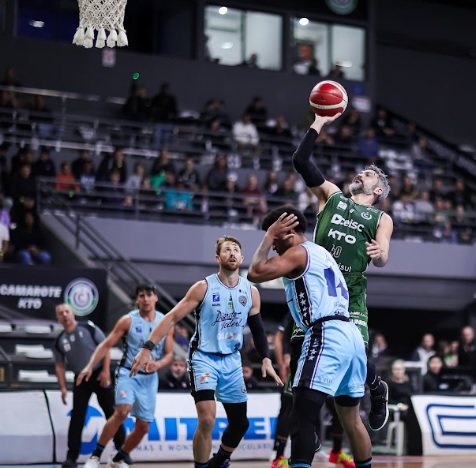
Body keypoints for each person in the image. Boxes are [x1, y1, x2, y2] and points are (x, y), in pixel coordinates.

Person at [130, 236, 281, 468]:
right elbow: (172, 317)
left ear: (242, 258)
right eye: (227, 250)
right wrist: (146, 348)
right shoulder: (203, 287)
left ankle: (219, 460)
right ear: (217, 258)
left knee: (240, 424)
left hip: (232, 360)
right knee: (208, 420)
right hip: (203, 358)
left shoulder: (251, 292)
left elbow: (258, 330)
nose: (232, 253)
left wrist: (266, 359)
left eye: (236, 250)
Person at [291, 112, 394, 434]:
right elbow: (300, 160)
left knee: (356, 355)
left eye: (369, 174)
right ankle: (308, 431)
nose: (361, 174)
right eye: (362, 171)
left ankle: (377, 388)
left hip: (351, 292)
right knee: (299, 358)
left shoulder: (381, 218)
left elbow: (383, 257)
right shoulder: (331, 195)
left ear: (378, 190)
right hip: (317, 289)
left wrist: (379, 254)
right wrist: (319, 123)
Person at [247, 206, 372, 468]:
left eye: (276, 240)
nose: (274, 248)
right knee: (352, 420)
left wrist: (268, 236)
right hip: (350, 334)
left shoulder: (297, 252)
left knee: (301, 415)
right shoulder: (322, 252)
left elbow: (254, 272)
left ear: (288, 232)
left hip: (326, 332)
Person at [77, 284, 174, 468]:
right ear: (137, 300)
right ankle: (95, 457)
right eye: (141, 295)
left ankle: (118, 458)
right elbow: (106, 344)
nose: (146, 299)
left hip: (149, 378)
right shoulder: (127, 320)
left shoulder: (166, 322)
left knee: (143, 427)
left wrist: (158, 364)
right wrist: (89, 366)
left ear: (156, 298)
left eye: (149, 295)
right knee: (122, 411)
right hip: (128, 373)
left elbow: (169, 354)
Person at [53, 304, 126, 468]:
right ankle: (71, 457)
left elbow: (105, 347)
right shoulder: (60, 340)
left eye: (67, 311)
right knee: (77, 417)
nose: (64, 315)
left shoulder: (88, 327)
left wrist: (106, 371)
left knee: (112, 413)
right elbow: (59, 366)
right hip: (80, 378)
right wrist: (63, 388)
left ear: (73, 313)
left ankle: (122, 452)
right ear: (57, 318)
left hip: (99, 374)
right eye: (61, 313)